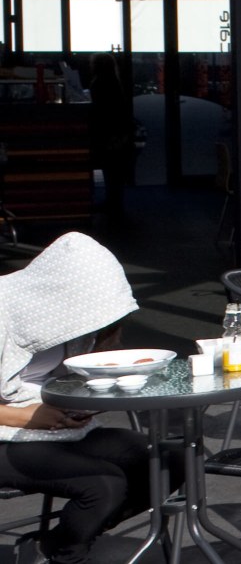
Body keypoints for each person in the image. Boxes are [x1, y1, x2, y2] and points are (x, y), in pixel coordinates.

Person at [0, 233, 181, 564]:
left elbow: (55, 383)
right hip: (9, 434)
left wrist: (85, 399)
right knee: (103, 485)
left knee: (172, 461)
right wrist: (24, 416)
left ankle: (58, 542)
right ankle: (67, 552)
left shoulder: (76, 326)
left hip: (56, 429)